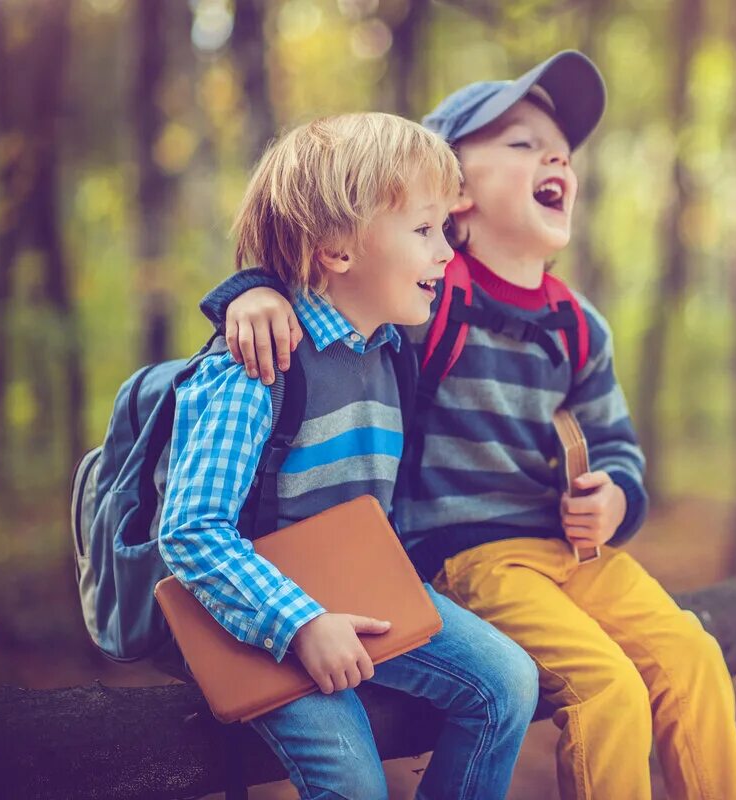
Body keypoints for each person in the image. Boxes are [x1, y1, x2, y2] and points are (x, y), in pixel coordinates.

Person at [202, 52, 736, 800]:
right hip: (469, 555)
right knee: (607, 688)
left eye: (560, 148)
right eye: (521, 142)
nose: (555, 154)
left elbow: (616, 441)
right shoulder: (432, 296)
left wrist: (616, 495)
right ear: (452, 193)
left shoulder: (578, 327)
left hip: (574, 554)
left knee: (692, 655)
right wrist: (253, 290)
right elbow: (341, 270)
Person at [160, 112, 538, 800]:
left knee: (507, 684)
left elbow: (507, 281)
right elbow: (190, 532)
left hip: (362, 595)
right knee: (354, 781)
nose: (446, 252)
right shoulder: (257, 368)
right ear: (337, 250)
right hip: (258, 619)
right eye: (424, 230)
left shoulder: (394, 350)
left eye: (445, 230)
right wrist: (299, 624)